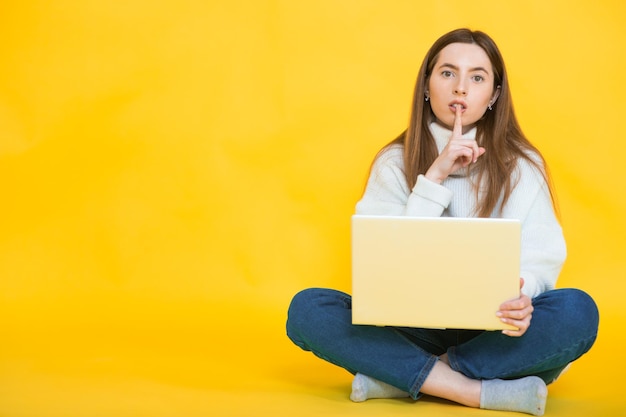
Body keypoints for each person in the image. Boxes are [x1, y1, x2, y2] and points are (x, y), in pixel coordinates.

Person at [286, 28, 599, 416]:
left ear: (494, 96)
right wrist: (433, 177)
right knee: (307, 310)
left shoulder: (524, 165)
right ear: (426, 87)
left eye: (478, 77)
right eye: (448, 73)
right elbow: (382, 263)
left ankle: (404, 376)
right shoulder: (392, 162)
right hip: (409, 326)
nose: (461, 89)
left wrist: (523, 294)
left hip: (491, 329)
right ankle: (476, 391)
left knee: (578, 312)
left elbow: (539, 257)